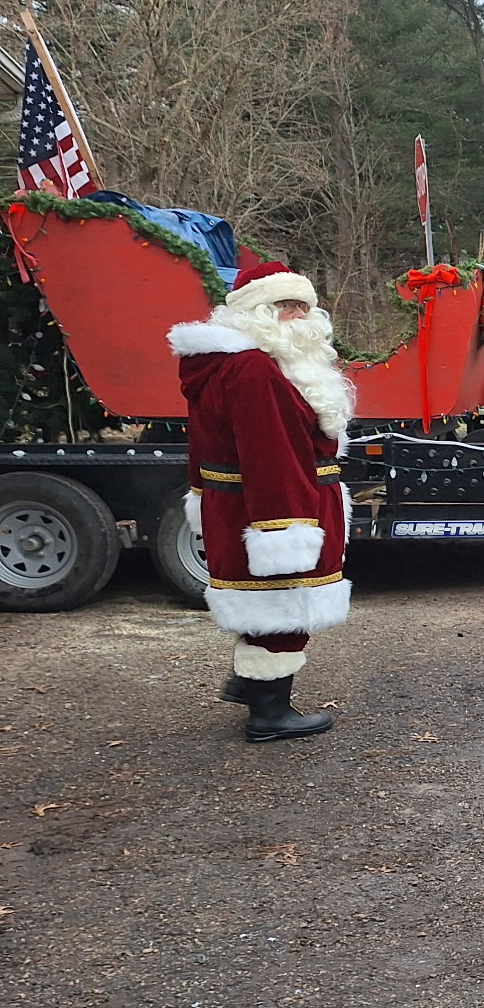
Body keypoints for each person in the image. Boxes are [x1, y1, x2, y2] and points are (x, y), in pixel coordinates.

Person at [168, 261, 354, 741]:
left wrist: (199, 495)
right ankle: (270, 715)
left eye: (303, 306)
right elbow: (273, 455)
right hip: (273, 511)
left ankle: (250, 684)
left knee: (264, 605)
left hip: (239, 507)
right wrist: (286, 532)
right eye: (285, 306)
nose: (298, 316)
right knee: (285, 605)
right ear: (256, 312)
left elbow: (203, 445)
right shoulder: (254, 369)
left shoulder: (232, 364)